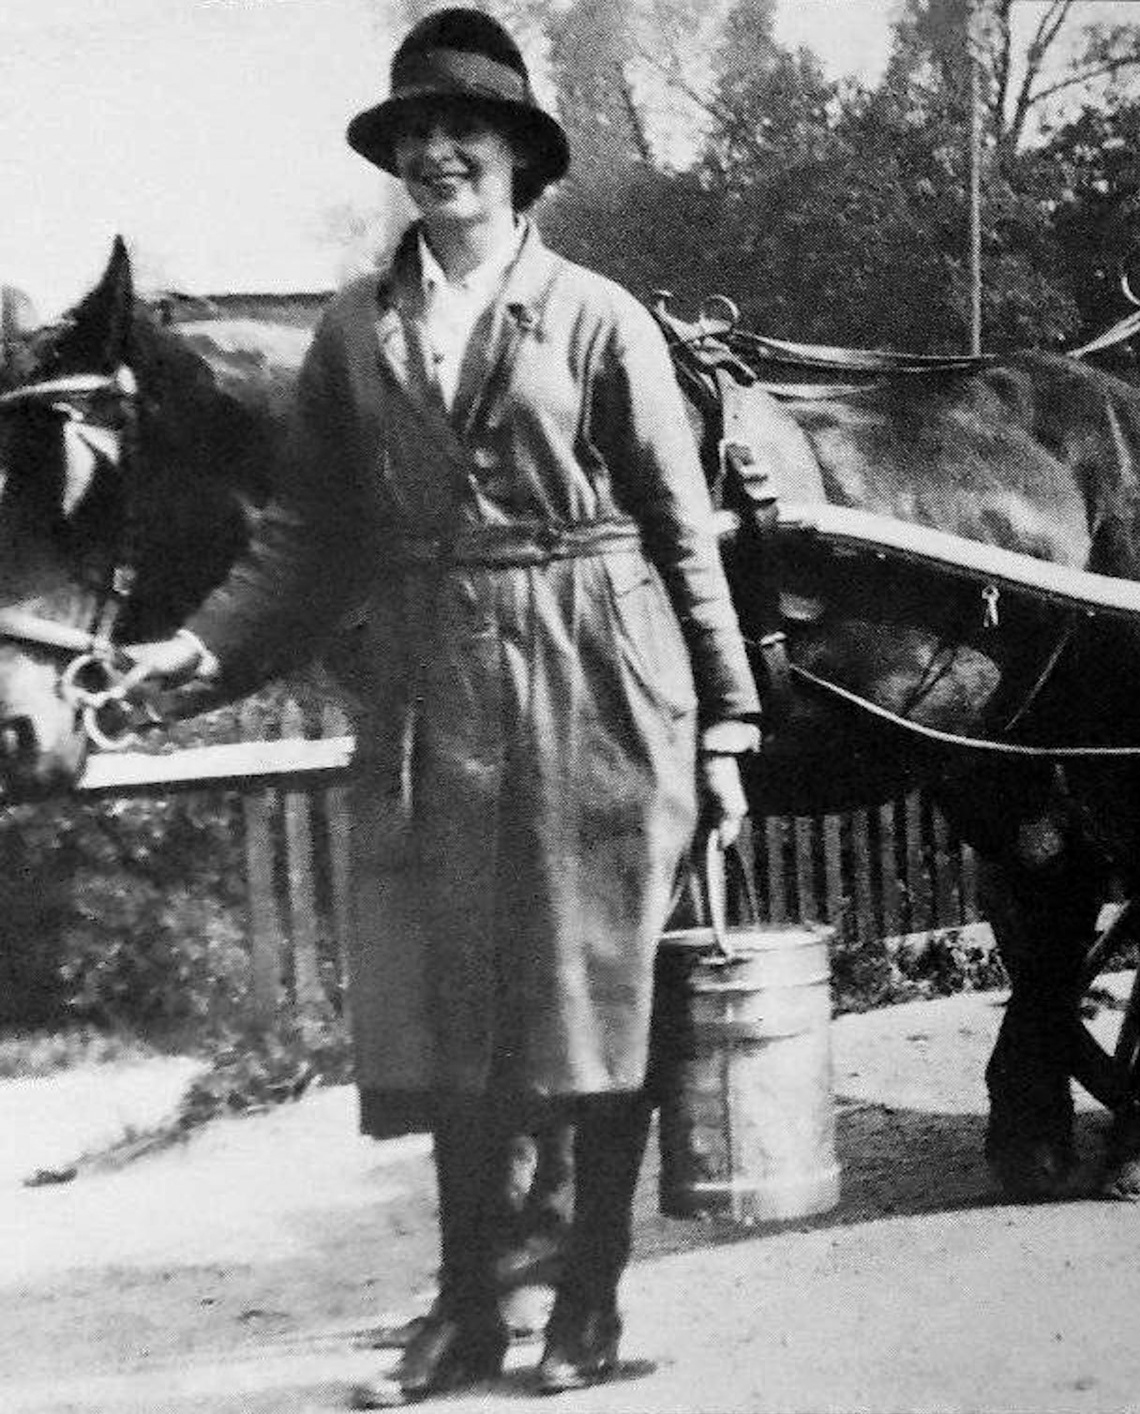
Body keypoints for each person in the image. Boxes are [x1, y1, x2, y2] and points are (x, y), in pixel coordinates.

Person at [125, 7, 761, 1403]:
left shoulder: (600, 319)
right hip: (430, 699)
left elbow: (679, 527)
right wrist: (192, 652)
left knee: (599, 1004)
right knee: (448, 1020)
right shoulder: (354, 332)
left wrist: (726, 718)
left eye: (463, 131)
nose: (436, 153)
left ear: (521, 156)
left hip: (600, 681)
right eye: (413, 134)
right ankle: (468, 1311)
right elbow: (302, 538)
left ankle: (588, 1294)